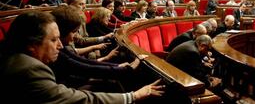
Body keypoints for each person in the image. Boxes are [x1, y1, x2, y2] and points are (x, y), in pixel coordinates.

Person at [0, 11, 164, 103]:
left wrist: (111, 64)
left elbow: (83, 64)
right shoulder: (29, 69)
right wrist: (134, 96)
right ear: (31, 45)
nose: (60, 45)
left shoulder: (20, 58)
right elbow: (79, 98)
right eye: (53, 40)